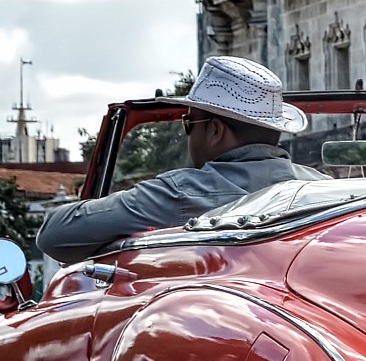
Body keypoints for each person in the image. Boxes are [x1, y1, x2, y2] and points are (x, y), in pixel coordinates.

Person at [39, 57, 324, 265]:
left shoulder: (181, 192)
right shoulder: (323, 188)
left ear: (214, 131)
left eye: (189, 123)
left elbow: (55, 234)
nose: (188, 135)